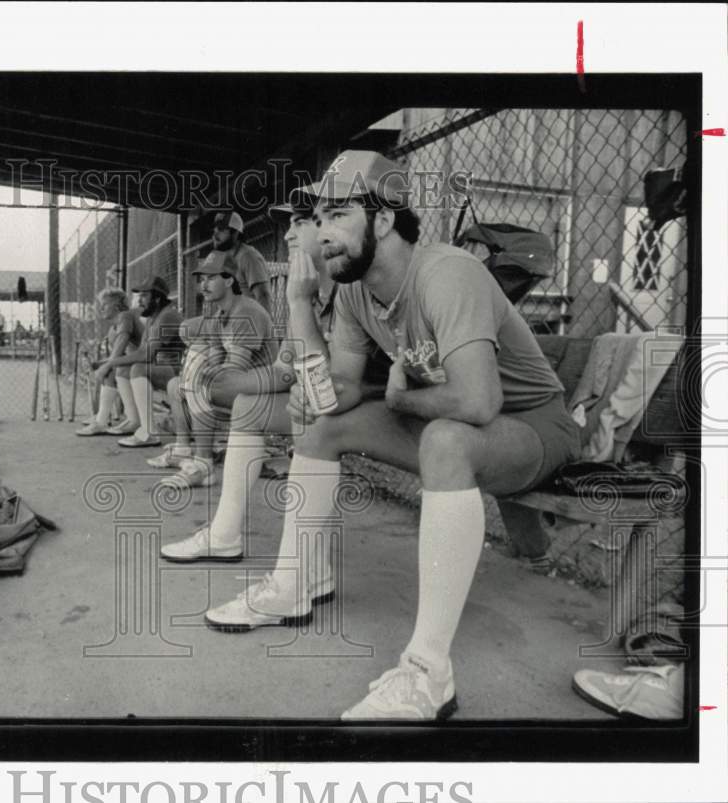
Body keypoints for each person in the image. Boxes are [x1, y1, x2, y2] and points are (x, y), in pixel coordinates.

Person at [202, 150, 580, 721]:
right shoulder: (355, 289)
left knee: (447, 440)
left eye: (338, 215)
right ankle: (291, 585)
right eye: (319, 218)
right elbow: (342, 390)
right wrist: (301, 310)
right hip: (450, 421)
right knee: (325, 426)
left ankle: (429, 675)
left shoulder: (447, 272)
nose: (322, 232)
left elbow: (480, 402)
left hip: (534, 425)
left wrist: (401, 400)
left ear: (382, 220)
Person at [161, 193, 392, 564]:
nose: (287, 236)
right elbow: (285, 369)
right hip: (332, 398)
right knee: (249, 404)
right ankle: (223, 535)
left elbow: (340, 383)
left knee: (308, 416)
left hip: (373, 404)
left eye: (299, 222)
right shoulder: (307, 288)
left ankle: (310, 563)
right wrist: (221, 384)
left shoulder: (354, 286)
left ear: (329, 228)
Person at [152, 250, 278, 490]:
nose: (204, 284)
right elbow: (214, 358)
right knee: (175, 385)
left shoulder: (246, 313)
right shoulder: (220, 315)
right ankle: (182, 450)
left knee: (197, 381)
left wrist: (201, 373)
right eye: (202, 279)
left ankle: (204, 465)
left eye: (211, 278)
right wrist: (200, 367)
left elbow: (233, 371)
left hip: (263, 391)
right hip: (241, 384)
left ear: (229, 280)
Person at [99, 275, 185, 448]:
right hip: (167, 368)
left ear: (157, 298)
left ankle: (149, 433)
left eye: (144, 296)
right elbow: (142, 352)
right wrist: (113, 363)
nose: (139, 301)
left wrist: (109, 363)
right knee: (124, 368)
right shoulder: (154, 316)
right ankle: (135, 421)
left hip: (183, 371)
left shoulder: (168, 315)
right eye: (139, 296)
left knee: (138, 368)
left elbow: (145, 355)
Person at [77, 287, 145, 436]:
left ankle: (132, 420)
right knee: (111, 370)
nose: (100, 308)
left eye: (105, 304)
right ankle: (101, 420)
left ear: (116, 305)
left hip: (150, 362)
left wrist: (107, 365)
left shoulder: (125, 316)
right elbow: (117, 356)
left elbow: (120, 349)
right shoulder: (113, 328)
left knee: (114, 369)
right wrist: (97, 364)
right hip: (138, 362)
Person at [211, 211, 272, 312]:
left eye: (221, 229)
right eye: (215, 229)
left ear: (235, 233)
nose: (215, 233)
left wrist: (264, 325)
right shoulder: (222, 258)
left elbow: (263, 295)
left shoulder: (248, 256)